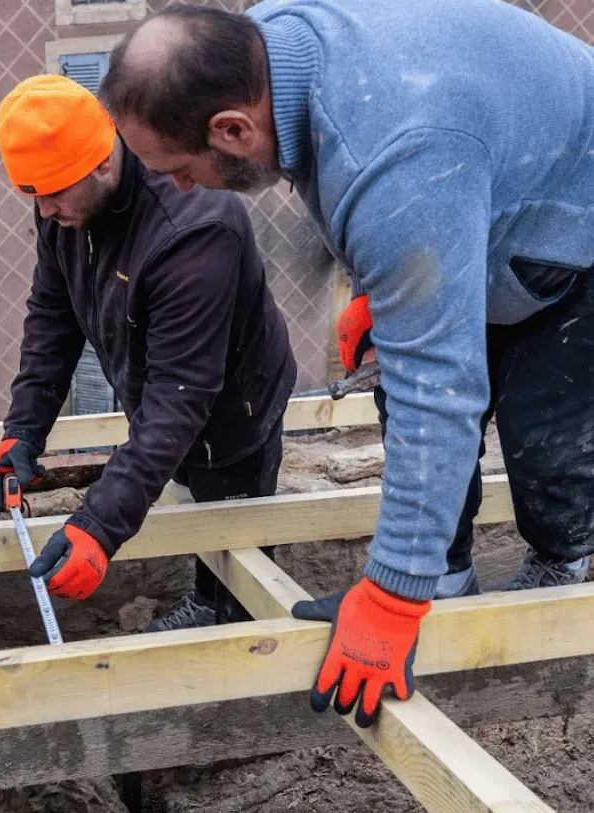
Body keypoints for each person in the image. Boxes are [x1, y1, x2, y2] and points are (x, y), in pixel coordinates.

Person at [100, 0, 594, 725]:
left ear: (232, 129)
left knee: (542, 437)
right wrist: (382, 291)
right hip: (472, 169)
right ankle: (446, 579)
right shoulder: (269, 46)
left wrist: (389, 596)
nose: (174, 189)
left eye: (176, 168)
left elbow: (441, 393)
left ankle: (557, 562)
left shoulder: (397, 161)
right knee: (400, 384)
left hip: (569, 214)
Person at [0, 75, 296, 632]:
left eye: (53, 193)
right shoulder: (63, 199)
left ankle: (233, 624)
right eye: (32, 194)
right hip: (170, 395)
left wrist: (99, 527)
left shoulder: (194, 227)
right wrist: (24, 429)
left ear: (104, 164)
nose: (45, 209)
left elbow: (180, 396)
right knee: (188, 488)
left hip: (232, 405)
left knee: (230, 515)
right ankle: (212, 597)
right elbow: (52, 317)